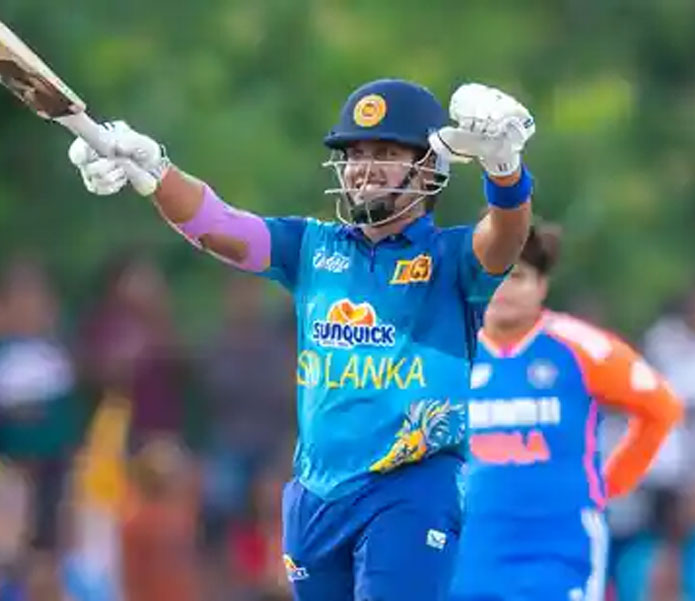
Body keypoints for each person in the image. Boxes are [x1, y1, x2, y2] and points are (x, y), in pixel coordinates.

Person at [68, 78, 536, 601]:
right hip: (317, 495)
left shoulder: (451, 259)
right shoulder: (313, 248)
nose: (364, 167)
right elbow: (216, 224)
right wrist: (155, 172)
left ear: (429, 167)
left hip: (411, 483)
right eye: (355, 153)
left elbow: (507, 237)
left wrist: (504, 169)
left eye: (386, 153)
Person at [451, 223, 684, 601]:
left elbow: (661, 407)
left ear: (542, 285)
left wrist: (610, 485)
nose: (503, 288)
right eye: (494, 275)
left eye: (518, 277)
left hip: (559, 544)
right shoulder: (449, 348)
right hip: (472, 547)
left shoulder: (580, 346)